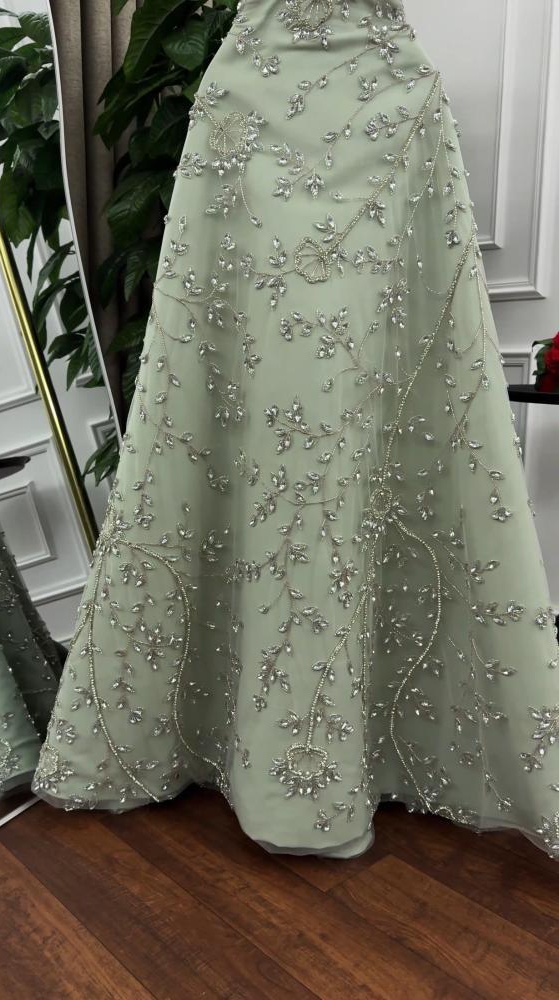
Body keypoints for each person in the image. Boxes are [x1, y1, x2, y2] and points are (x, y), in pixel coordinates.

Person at [33, 0, 559, 860]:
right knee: (257, 390)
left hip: (387, 96)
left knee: (362, 393)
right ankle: (252, 740)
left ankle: (350, 743)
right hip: (250, 95)